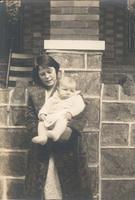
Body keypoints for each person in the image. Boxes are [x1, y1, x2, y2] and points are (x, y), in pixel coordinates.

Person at [25, 54, 93, 200]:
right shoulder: (34, 92)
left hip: (66, 146)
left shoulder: (67, 87)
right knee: (44, 183)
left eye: (49, 71)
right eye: (42, 73)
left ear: (57, 71)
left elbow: (82, 112)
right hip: (43, 148)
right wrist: (39, 131)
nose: (47, 76)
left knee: (69, 186)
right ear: (38, 75)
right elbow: (30, 117)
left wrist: (67, 131)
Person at [32, 76, 85, 145]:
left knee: (63, 119)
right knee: (41, 122)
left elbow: (80, 106)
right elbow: (46, 106)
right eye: (65, 89)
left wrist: (71, 113)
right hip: (50, 117)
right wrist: (42, 113)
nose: (68, 92)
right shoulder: (54, 98)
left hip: (62, 116)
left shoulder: (76, 97)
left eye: (71, 91)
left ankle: (55, 133)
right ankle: (42, 137)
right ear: (58, 89)